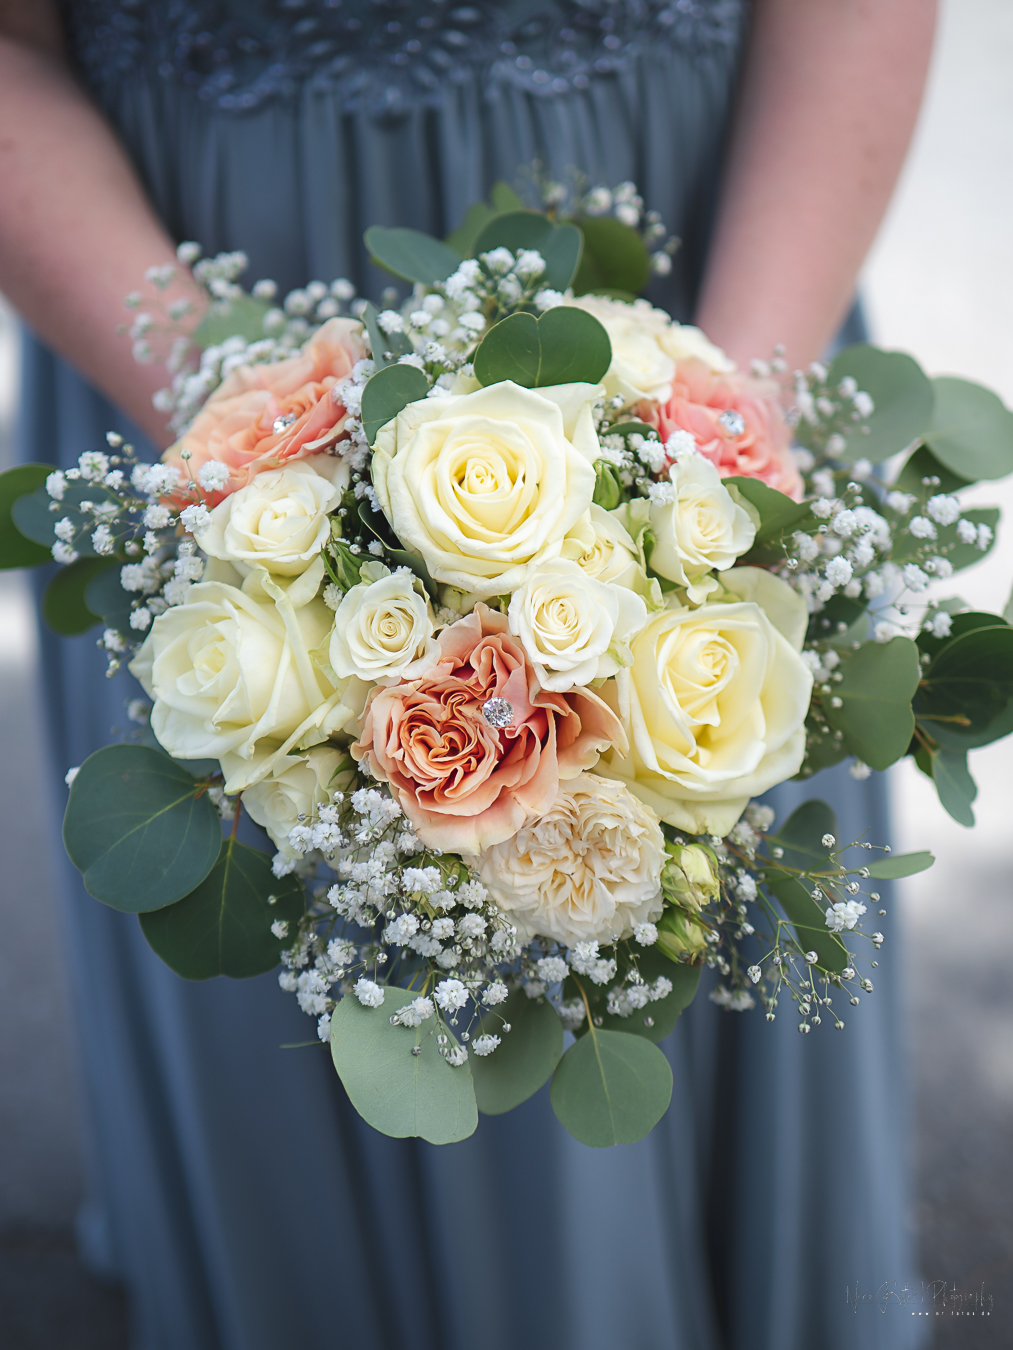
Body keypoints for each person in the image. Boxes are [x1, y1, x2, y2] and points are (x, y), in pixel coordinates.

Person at [0, 2, 936, 1347]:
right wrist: (261, 449)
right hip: (173, 297)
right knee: (271, 823)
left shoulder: (711, 400)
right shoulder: (228, 419)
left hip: (715, 246)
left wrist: (714, 432)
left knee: (701, 773)